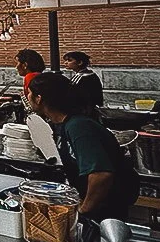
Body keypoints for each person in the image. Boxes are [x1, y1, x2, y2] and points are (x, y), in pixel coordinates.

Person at [28, 72, 138, 223]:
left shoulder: (79, 127)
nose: (27, 97)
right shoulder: (64, 125)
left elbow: (101, 174)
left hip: (105, 215)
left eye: (29, 93)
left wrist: (83, 209)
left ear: (39, 99)